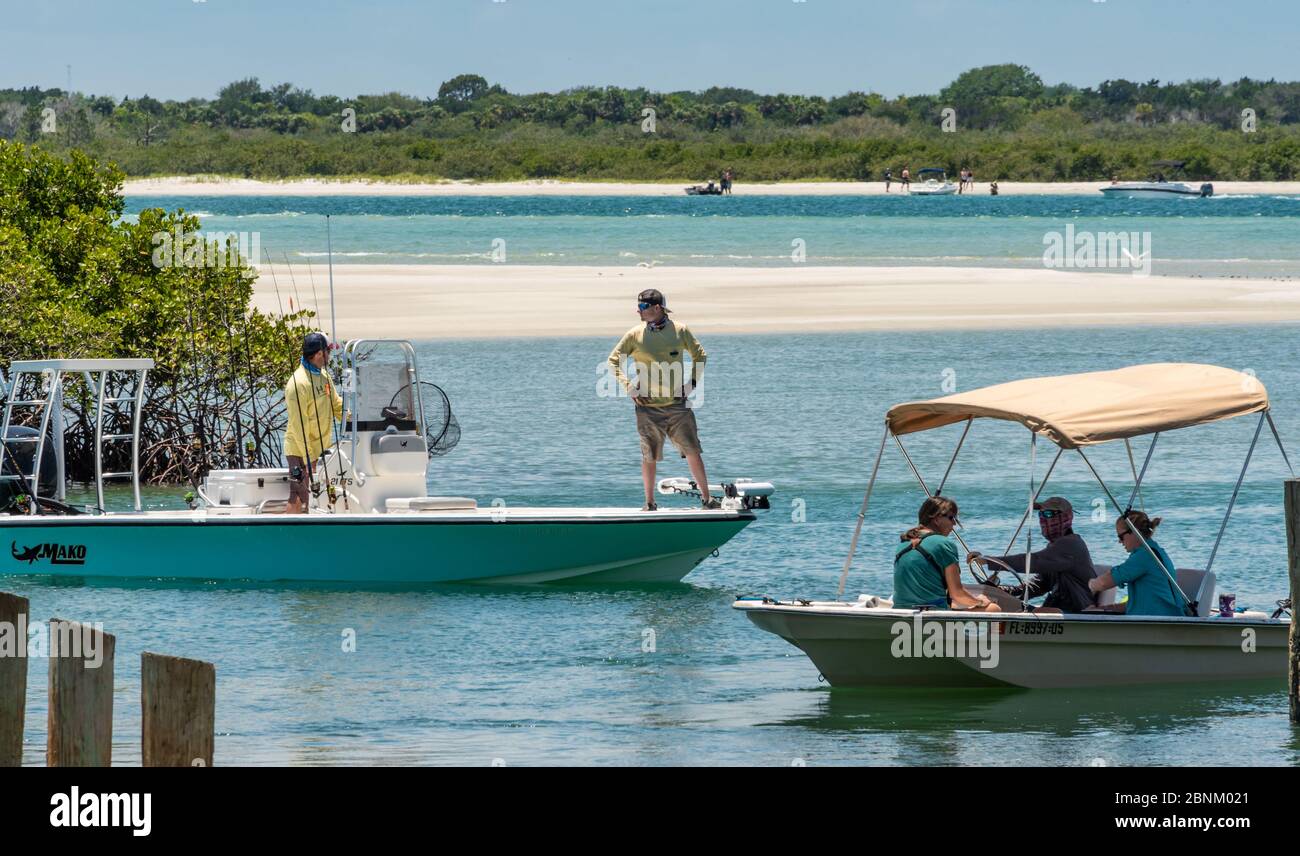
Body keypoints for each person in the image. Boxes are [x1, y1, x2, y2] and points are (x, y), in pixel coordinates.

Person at [608, 289, 717, 511]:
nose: (638, 311)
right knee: (649, 455)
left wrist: (692, 384)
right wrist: (629, 387)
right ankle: (649, 503)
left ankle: (708, 500)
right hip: (647, 408)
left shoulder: (680, 331)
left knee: (692, 451)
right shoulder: (634, 334)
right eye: (638, 307)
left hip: (678, 406)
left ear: (657, 308)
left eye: (642, 307)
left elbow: (700, 355)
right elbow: (613, 361)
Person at [970, 497, 1097, 613]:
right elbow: (1039, 585)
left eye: (1048, 514)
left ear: (1067, 517)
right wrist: (1003, 591)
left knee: (997, 608)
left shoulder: (1071, 545)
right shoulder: (1055, 550)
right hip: (1059, 608)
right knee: (1001, 602)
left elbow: (1033, 561)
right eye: (1041, 514)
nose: (1043, 518)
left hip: (1076, 612)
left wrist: (989, 561)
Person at [892, 496, 998, 611]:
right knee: (993, 608)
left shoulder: (903, 544)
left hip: (901, 613)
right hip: (932, 618)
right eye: (951, 517)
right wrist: (980, 601)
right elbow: (956, 593)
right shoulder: (944, 544)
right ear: (937, 519)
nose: (954, 523)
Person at [283, 331, 343, 514]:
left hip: (322, 449)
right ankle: (290, 534)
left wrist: (355, 420)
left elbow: (336, 405)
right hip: (300, 451)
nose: (329, 356)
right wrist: (309, 460)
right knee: (300, 495)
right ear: (319, 354)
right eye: (328, 352)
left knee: (322, 497)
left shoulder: (324, 376)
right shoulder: (298, 383)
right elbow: (299, 426)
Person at [1087, 510, 1186, 616]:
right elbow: (1137, 604)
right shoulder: (1154, 550)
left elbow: (1103, 583)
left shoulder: (1145, 556)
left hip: (1160, 622)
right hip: (1163, 617)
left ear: (1134, 532)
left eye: (1121, 537)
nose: (1120, 541)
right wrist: (1104, 609)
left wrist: (1091, 584)